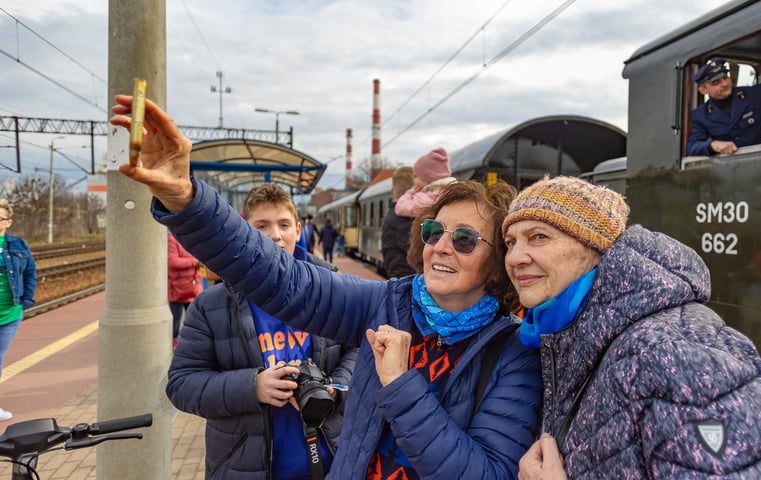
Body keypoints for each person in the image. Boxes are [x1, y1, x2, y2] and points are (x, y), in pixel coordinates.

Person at [110, 93, 542, 480]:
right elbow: (284, 280)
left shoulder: (513, 353)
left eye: (464, 239)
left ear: (496, 264)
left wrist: (399, 383)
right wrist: (187, 199)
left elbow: (486, 472)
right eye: (433, 231)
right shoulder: (388, 303)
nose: (442, 247)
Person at [503, 176, 761, 479]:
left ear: (594, 246)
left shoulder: (674, 355)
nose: (515, 257)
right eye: (510, 242)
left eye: (539, 237)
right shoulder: (571, 338)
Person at [167, 183, 357, 479]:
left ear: (298, 229)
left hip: (331, 457)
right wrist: (252, 386)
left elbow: (358, 349)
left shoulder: (332, 291)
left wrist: (337, 386)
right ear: (245, 229)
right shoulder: (211, 305)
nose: (275, 235)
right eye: (262, 225)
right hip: (243, 466)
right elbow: (181, 385)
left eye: (284, 224)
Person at [686, 58, 761, 156]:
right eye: (716, 83)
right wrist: (712, 145)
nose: (724, 84)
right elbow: (692, 147)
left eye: (725, 78)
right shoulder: (700, 115)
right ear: (703, 90)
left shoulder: (758, 95)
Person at [0, 199, 36, 422]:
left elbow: (30, 272)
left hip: (9, 314)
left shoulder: (18, 245)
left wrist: (25, 301)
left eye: (0, 217)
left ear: (8, 222)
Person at [394, 147, 456, 217]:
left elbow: (400, 207)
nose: (414, 181)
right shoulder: (453, 191)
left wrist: (410, 193)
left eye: (416, 176)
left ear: (427, 178)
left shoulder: (426, 197)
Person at [381, 166, 417, 278]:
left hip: (402, 281)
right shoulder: (404, 219)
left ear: (392, 190)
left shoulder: (392, 217)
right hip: (407, 285)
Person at [167, 231, 202, 346]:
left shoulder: (191, 236)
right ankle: (173, 344)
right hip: (177, 288)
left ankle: (192, 343)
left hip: (192, 285)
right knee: (175, 322)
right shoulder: (171, 238)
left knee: (195, 319)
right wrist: (194, 262)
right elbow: (172, 262)